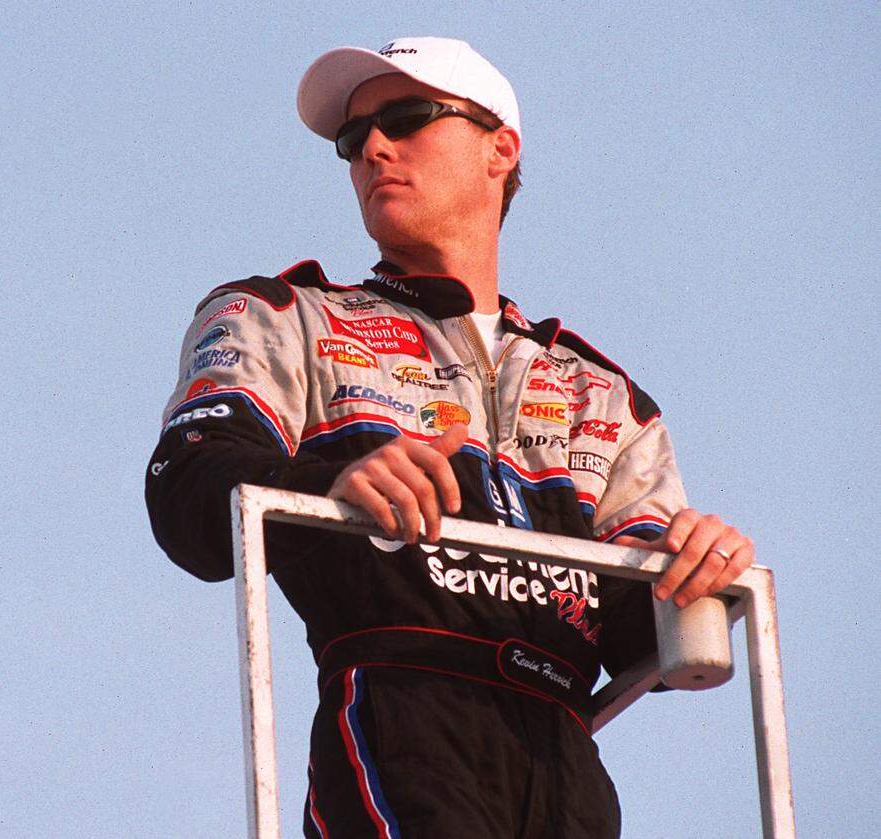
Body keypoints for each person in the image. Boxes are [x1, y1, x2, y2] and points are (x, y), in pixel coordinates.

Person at [145, 36, 755, 838]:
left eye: (407, 118)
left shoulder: (602, 393)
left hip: (568, 757)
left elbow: (642, 637)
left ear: (501, 149)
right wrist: (330, 483)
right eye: (351, 138)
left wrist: (699, 567)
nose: (372, 148)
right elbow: (187, 488)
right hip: (399, 716)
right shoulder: (285, 315)